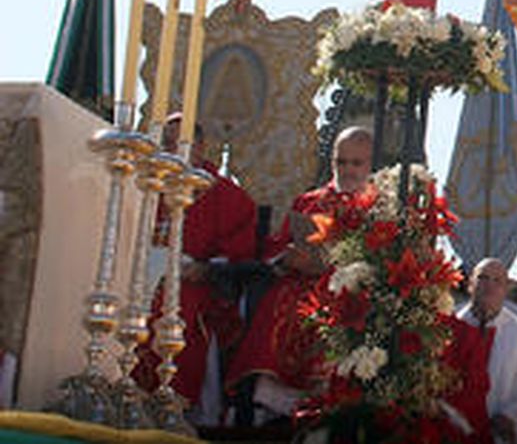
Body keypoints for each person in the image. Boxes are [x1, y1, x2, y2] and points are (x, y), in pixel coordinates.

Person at [226, 126, 374, 422]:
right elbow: (279, 245)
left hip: (350, 286)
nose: (347, 170)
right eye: (341, 162)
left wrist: (330, 267)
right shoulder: (308, 201)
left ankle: (323, 397)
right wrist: (288, 258)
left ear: (370, 164)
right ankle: (270, 395)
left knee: (337, 308)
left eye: (356, 163)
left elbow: (377, 258)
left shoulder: (377, 206)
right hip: (299, 281)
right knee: (279, 301)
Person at [133, 115, 258, 423]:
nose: (172, 151)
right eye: (167, 144)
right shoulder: (145, 186)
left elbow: (240, 255)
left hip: (194, 284)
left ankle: (174, 406)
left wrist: (205, 269)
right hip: (141, 277)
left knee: (180, 308)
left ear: (200, 147)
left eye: (181, 144)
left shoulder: (225, 195)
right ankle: (127, 393)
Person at [457, 258, 517, 444]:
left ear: (505, 290)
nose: (489, 286)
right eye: (483, 278)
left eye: (497, 281)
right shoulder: (450, 327)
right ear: (470, 284)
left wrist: (511, 417)